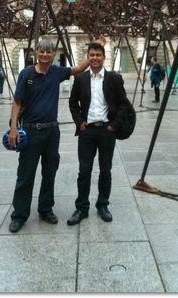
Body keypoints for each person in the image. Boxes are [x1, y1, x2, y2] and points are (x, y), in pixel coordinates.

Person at [8, 38, 94, 233]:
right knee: (25, 173)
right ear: (36, 52)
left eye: (49, 52)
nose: (45, 54)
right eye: (42, 51)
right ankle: (19, 215)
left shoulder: (57, 72)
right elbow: (17, 102)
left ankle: (45, 209)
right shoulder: (26, 74)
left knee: (50, 172)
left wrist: (93, 49)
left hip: (51, 131)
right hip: (30, 131)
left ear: (53, 54)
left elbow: (78, 69)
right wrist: (14, 128)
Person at [67, 42, 130, 226]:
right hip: (87, 132)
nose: (95, 58)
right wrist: (80, 123)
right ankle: (82, 208)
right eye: (91, 55)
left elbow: (123, 104)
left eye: (98, 55)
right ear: (88, 57)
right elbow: (72, 103)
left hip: (106, 131)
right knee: (84, 170)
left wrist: (114, 126)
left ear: (104, 57)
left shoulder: (114, 78)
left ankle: (102, 205)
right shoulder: (80, 79)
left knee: (105, 170)